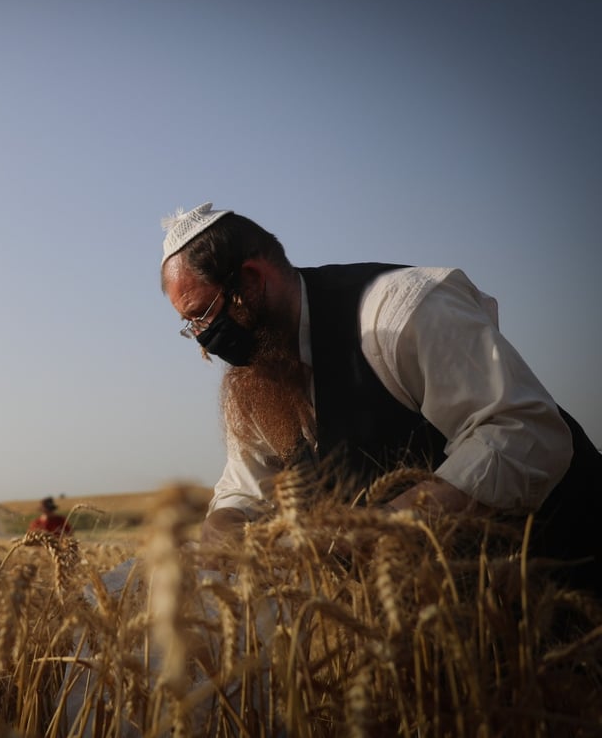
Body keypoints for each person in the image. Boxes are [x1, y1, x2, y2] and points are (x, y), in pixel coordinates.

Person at [160, 202, 602, 596]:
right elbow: (245, 487)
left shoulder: (399, 311)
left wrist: (382, 527)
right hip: (453, 633)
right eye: (190, 327)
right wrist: (224, 527)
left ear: (252, 281)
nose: (203, 342)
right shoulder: (258, 378)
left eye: (202, 315)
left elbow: (524, 433)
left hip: (570, 577)